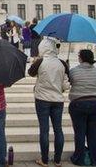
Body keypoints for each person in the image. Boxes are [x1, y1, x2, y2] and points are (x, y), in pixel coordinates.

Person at [28, 37, 69, 167]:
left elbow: (30, 73)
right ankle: (57, 160)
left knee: (44, 130)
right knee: (58, 130)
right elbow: (66, 85)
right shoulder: (62, 63)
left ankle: (44, 160)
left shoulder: (40, 62)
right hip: (57, 100)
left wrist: (34, 62)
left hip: (42, 99)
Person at [68, 50, 96, 165]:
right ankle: (95, 159)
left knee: (80, 132)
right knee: (93, 132)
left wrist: (67, 69)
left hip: (79, 103)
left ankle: (79, 158)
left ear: (81, 58)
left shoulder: (74, 71)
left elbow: (70, 81)